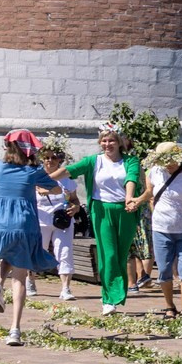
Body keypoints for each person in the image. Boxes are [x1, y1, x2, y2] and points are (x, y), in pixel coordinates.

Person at [0, 131, 60, 346]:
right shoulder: (32, 171)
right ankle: (15, 330)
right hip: (23, 225)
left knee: (8, 254)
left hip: (0, 226)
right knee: (20, 278)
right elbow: (56, 187)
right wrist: (42, 187)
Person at [58, 126, 141, 312]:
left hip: (125, 210)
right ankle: (108, 299)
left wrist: (129, 198)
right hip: (101, 210)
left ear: (119, 142)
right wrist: (43, 178)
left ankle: (117, 293)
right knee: (107, 253)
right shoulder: (94, 161)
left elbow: (132, 179)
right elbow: (69, 171)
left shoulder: (131, 161)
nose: (107, 144)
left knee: (121, 254)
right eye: (104, 141)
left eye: (111, 140)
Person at [134, 141, 182, 318]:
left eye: (172, 160)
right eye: (165, 161)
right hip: (161, 229)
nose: (169, 164)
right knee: (164, 270)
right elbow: (150, 192)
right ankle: (169, 306)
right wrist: (138, 200)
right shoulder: (154, 171)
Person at [34, 145, 80, 302]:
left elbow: (74, 199)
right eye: (47, 157)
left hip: (62, 220)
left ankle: (65, 288)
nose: (50, 161)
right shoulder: (36, 177)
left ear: (60, 159)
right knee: (37, 251)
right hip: (40, 219)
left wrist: (75, 207)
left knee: (64, 251)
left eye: (54, 157)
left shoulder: (67, 180)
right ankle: (30, 281)